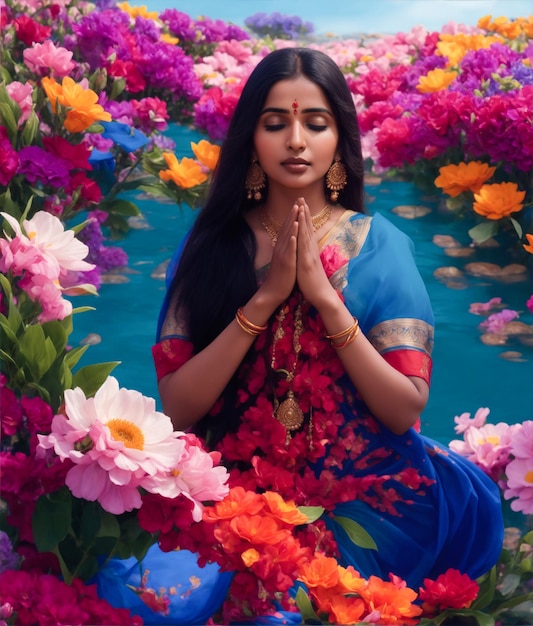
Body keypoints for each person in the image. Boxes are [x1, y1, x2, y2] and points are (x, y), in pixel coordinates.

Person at [149, 47, 503, 621]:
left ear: (339, 138)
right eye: (275, 123)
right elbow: (180, 408)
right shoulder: (211, 247)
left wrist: (324, 300)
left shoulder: (379, 245)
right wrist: (263, 301)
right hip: (234, 499)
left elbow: (403, 408)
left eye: (315, 123)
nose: (295, 141)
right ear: (251, 140)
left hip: (364, 505)